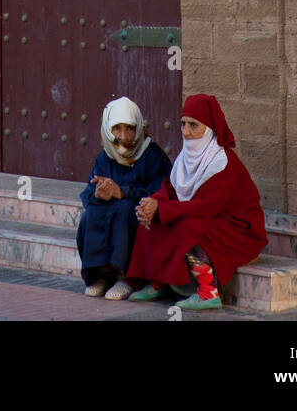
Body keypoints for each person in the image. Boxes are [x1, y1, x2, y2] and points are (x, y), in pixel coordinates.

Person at [126, 93, 267, 310]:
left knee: (187, 227)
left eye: (194, 125)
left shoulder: (223, 162)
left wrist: (163, 208)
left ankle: (208, 292)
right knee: (152, 218)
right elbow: (171, 190)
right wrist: (152, 202)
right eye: (183, 124)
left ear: (209, 129)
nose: (186, 132)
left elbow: (208, 206)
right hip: (210, 220)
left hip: (238, 230)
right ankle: (158, 282)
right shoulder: (186, 158)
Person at [76, 96, 172, 299]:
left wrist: (122, 192)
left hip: (137, 217)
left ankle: (127, 277)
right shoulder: (104, 158)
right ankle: (100, 276)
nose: (124, 136)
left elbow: (162, 194)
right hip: (109, 210)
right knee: (91, 214)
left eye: (129, 128)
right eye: (116, 129)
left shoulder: (152, 156)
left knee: (124, 210)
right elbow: (87, 194)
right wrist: (98, 194)